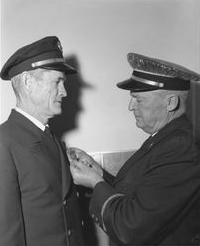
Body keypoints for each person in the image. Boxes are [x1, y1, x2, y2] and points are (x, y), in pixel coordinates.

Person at [67, 53, 200, 246]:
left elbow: (131, 227)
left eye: (139, 100)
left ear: (171, 102)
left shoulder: (181, 147)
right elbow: (141, 195)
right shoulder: (165, 138)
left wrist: (96, 183)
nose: (131, 106)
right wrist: (98, 172)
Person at [0, 36, 85, 246]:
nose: (64, 92)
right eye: (57, 82)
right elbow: (8, 235)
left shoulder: (53, 140)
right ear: (28, 82)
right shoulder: (4, 143)